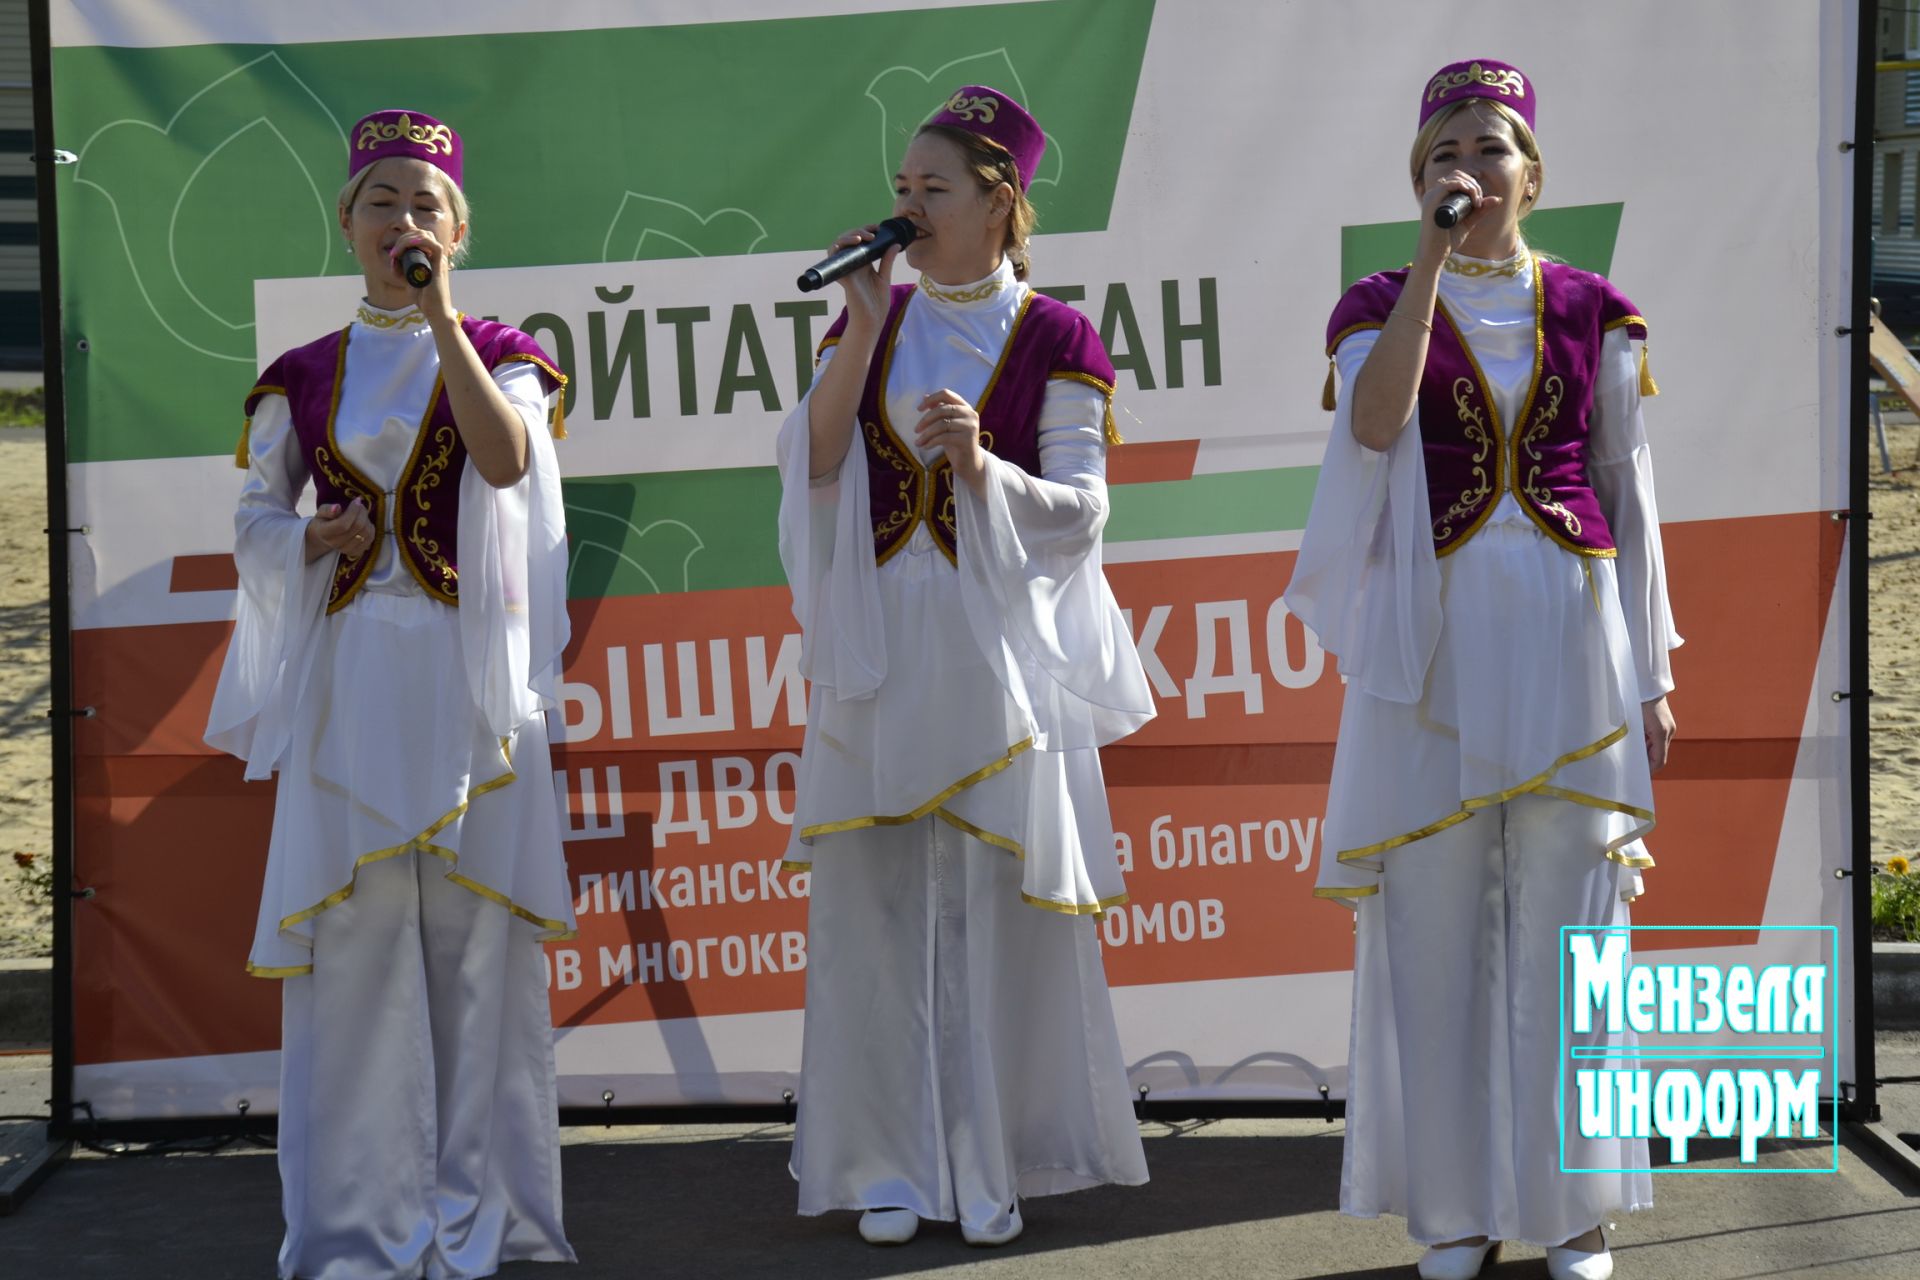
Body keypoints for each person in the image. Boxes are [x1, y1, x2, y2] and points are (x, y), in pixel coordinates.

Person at [1284, 60, 1681, 1280]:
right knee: (1436, 930)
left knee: (1571, 933)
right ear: (1422, 179)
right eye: (1447, 148)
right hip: (1432, 652)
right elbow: (1374, 426)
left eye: (1494, 145)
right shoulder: (1375, 302)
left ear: (1533, 172)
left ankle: (1572, 1209)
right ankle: (1452, 1206)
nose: (1473, 164)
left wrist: (1653, 664)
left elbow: (1631, 492)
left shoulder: (1593, 307)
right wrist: (1427, 266)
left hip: (1567, 637)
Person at [775, 84, 1156, 1247]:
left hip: (996, 651)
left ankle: (987, 1158)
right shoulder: (871, 320)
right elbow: (821, 458)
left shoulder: (1058, 335)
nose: (907, 206)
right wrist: (862, 321)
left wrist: (985, 466)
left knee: (992, 912)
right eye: (901, 187)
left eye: (932, 189)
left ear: (1001, 205)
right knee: (880, 911)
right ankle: (890, 1162)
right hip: (886, 645)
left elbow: (1082, 513)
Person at [205, 108, 577, 1280]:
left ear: (457, 229)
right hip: (354, 679)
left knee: (478, 957)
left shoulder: (506, 350)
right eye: (382, 202)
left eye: (426, 206)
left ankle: (484, 1220)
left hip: (472, 688)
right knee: (357, 957)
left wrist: (441, 320)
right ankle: (363, 1226)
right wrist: (308, 540)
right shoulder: (299, 378)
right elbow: (253, 522)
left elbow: (510, 460)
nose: (402, 222)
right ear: (346, 221)